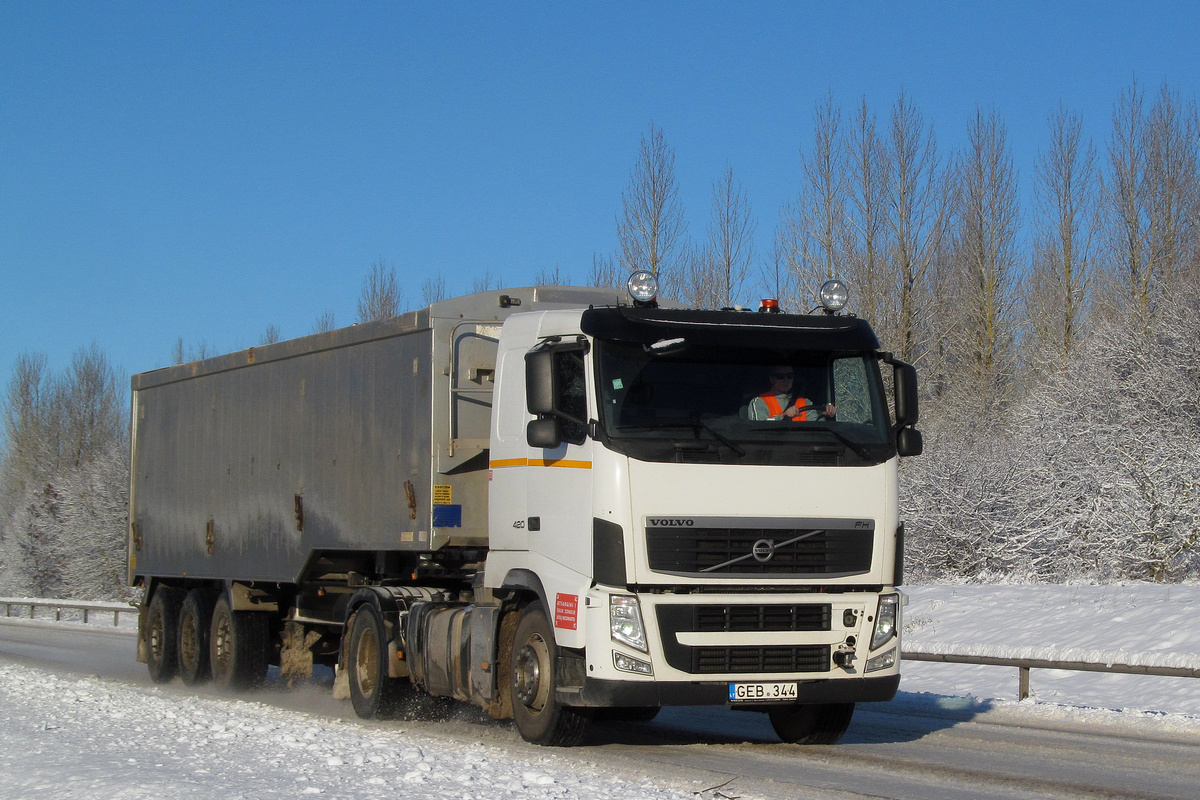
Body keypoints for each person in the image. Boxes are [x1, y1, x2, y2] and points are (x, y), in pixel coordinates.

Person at [748, 366, 836, 422]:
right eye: (780, 376)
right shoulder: (759, 401)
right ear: (772, 379)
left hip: (803, 446)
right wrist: (783, 416)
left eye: (790, 376)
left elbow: (815, 428)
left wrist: (825, 414)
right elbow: (759, 429)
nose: (785, 380)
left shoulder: (806, 402)